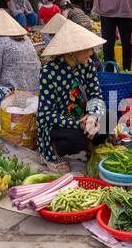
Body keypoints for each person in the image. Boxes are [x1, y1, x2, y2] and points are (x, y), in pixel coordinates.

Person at [37, 19, 107, 172]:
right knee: (77, 138)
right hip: (59, 123)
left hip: (83, 116)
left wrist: (93, 116)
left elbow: (96, 95)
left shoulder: (87, 65)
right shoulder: (49, 71)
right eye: (87, 49)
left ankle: (90, 143)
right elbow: (46, 114)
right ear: (71, 52)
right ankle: (50, 152)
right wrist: (78, 124)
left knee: (108, 121)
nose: (91, 53)